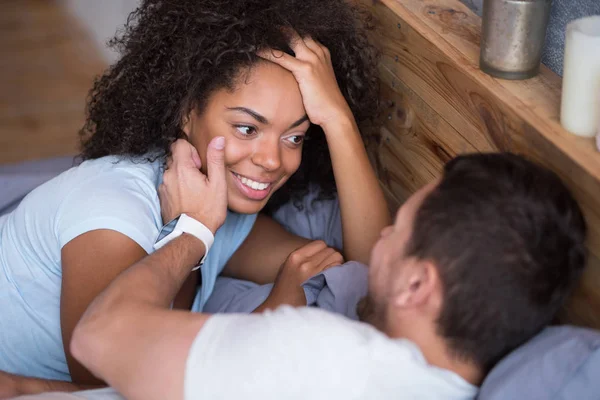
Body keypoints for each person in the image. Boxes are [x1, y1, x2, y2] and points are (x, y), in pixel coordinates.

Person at [0, 0, 390, 390]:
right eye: (247, 128)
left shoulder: (226, 213)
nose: (273, 160)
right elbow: (107, 385)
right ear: (186, 111)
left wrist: (338, 119)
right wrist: (273, 311)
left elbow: (368, 274)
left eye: (294, 137)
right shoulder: (114, 211)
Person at [9, 152, 583, 400]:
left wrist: (193, 231)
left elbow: (98, 334)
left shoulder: (331, 359)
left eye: (396, 232)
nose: (378, 240)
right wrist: (37, 388)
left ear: (418, 286)